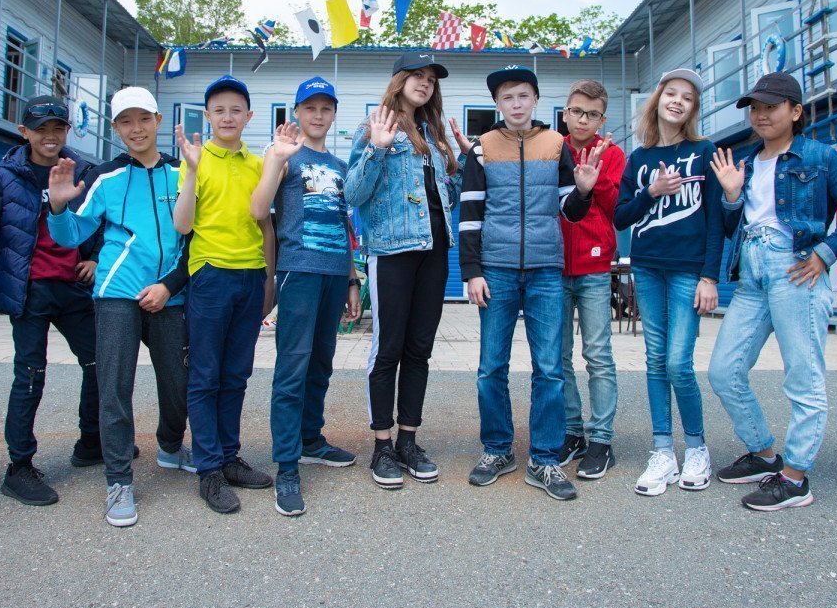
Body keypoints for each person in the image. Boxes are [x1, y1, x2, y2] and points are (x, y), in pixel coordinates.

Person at [707, 72, 837, 511]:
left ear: (796, 111)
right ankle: (764, 454)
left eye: (771, 107)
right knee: (723, 371)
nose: (760, 115)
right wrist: (731, 196)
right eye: (755, 108)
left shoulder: (819, 156)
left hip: (797, 271)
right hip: (752, 275)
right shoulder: (747, 162)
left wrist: (826, 253)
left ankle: (796, 477)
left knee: (803, 377)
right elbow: (732, 226)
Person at [0, 95, 103, 507]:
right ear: (24, 132)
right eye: (41, 128)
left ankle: (91, 442)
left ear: (67, 131)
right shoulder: (8, 177)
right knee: (30, 374)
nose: (50, 136)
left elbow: (100, 223)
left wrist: (95, 258)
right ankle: (20, 466)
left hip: (73, 286)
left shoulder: (82, 171)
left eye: (58, 128)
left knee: (99, 362)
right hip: (29, 290)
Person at [44, 87, 192, 527]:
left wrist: (168, 285)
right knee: (114, 387)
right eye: (126, 121)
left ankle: (170, 446)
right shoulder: (104, 177)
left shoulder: (183, 172)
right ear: (115, 128)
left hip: (169, 294)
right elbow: (71, 235)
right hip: (116, 293)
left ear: (158, 120)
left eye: (143, 119)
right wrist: (57, 206)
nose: (136, 129)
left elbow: (196, 239)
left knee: (178, 382)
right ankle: (118, 480)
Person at [461, 64, 602, 501]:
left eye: (523, 95)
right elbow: (469, 213)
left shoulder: (556, 144)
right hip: (496, 269)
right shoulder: (482, 148)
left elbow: (570, 211)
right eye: (507, 97)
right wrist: (472, 271)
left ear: (536, 99)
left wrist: (583, 190)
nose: (516, 104)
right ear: (497, 104)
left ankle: (544, 458)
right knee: (491, 367)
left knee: (549, 369)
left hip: (545, 270)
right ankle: (497, 449)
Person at [345, 52, 470, 490]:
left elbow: (447, 195)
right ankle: (381, 445)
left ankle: (408, 441)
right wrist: (378, 149)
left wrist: (465, 162)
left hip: (434, 252)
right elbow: (353, 193)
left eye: (431, 79)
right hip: (392, 251)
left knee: (419, 349)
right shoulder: (374, 128)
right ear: (399, 81)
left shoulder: (435, 136)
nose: (425, 83)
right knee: (388, 349)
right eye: (417, 76)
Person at [250, 77, 362, 516]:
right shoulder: (284, 155)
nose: (318, 115)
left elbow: (344, 224)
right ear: (296, 112)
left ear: (333, 114)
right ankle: (287, 466)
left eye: (325, 108)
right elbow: (258, 209)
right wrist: (276, 159)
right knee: (292, 369)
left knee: (321, 364)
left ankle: (311, 439)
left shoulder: (340, 165)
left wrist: (352, 281)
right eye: (309, 108)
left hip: (335, 273)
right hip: (298, 271)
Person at [614, 69, 725, 496]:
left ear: (693, 109)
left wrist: (709, 276)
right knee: (655, 360)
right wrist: (652, 192)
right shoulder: (639, 158)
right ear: (658, 100)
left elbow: (716, 220)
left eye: (688, 97)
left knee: (679, 362)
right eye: (671, 93)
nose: (678, 101)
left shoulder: (704, 151)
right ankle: (663, 451)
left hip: (687, 270)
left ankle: (697, 447)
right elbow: (621, 217)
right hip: (647, 268)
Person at [173, 75, 276, 514]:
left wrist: (269, 280)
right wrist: (193, 170)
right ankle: (209, 469)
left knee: (236, 374)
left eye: (236, 110)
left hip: (250, 277)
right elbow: (182, 224)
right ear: (208, 116)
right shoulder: (195, 159)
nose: (228, 117)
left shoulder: (258, 164)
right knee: (205, 375)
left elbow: (264, 224)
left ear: (248, 116)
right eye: (219, 110)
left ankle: (230, 457)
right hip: (211, 275)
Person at [557, 79, 626, 480]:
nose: (583, 120)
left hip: (595, 267)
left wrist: (595, 177)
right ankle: (572, 431)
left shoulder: (612, 154)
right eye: (577, 111)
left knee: (597, 354)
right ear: (565, 113)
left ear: (603, 118)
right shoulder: (552, 148)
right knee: (558, 355)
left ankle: (601, 438)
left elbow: (618, 208)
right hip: (554, 266)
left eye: (593, 114)